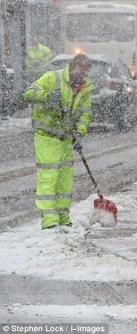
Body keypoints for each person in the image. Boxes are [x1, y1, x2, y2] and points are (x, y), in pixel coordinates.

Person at [23, 54, 93, 229]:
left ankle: (63, 216)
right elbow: (28, 93)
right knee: (48, 177)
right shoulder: (52, 78)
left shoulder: (84, 87)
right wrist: (47, 96)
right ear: (73, 67)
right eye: (82, 72)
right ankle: (49, 220)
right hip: (47, 136)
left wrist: (80, 133)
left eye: (86, 73)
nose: (83, 77)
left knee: (64, 179)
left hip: (65, 139)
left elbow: (85, 112)